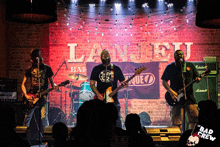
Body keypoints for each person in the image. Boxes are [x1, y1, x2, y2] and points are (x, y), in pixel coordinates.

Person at [21, 49, 58, 145]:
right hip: (31, 97)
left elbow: (52, 82)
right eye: (36, 56)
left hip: (43, 96)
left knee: (43, 117)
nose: (39, 57)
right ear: (32, 59)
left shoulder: (47, 69)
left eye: (39, 55)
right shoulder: (29, 69)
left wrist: (55, 86)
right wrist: (26, 95)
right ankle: (23, 138)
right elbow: (23, 84)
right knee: (28, 117)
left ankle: (47, 140)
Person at [161, 50, 201, 131]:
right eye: (177, 55)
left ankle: (190, 137)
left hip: (189, 96)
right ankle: (177, 140)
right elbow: (164, 81)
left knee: (194, 119)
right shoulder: (170, 67)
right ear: (174, 57)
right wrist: (171, 92)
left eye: (181, 54)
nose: (180, 56)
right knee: (176, 121)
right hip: (176, 97)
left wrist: (198, 79)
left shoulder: (190, 65)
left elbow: (197, 77)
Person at [90, 49, 127, 128]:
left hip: (113, 99)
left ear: (110, 58)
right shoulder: (96, 69)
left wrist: (124, 84)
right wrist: (98, 94)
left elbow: (123, 82)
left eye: (106, 56)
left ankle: (118, 136)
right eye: (104, 57)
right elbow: (92, 84)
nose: (105, 58)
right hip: (100, 99)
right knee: (98, 120)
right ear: (101, 59)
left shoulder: (116, 69)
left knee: (116, 119)